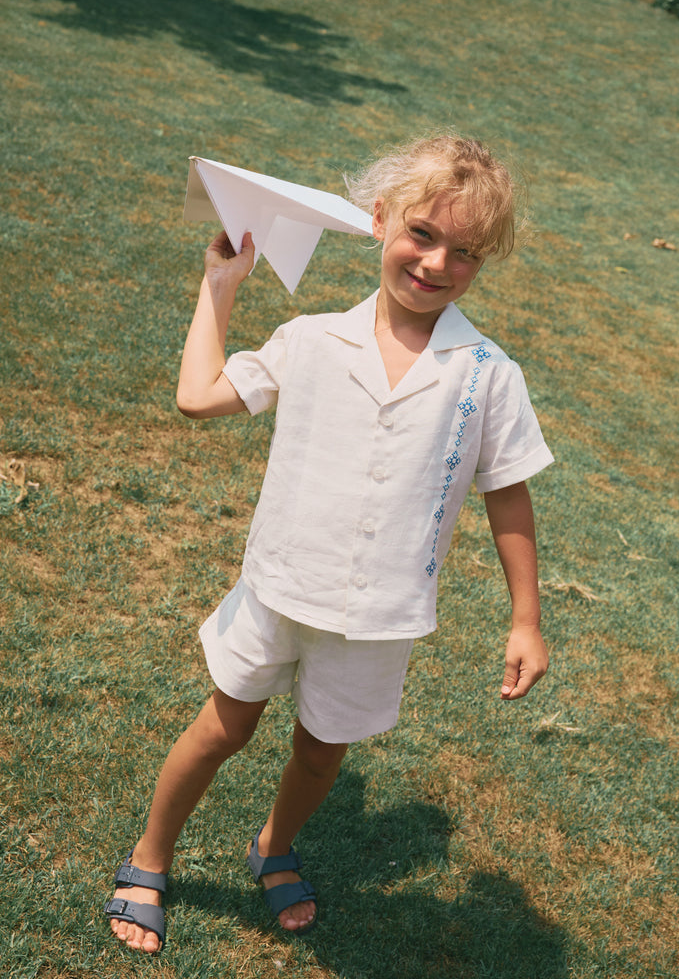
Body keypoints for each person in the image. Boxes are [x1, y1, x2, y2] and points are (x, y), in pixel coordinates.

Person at [104, 134, 553, 953]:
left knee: (319, 754)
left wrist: (525, 619)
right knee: (223, 729)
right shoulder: (310, 338)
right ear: (379, 222)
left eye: (464, 252)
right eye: (421, 234)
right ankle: (149, 856)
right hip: (280, 587)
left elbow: (508, 491)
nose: (435, 263)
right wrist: (220, 285)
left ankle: (274, 847)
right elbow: (198, 396)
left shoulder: (490, 374)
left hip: (380, 615)